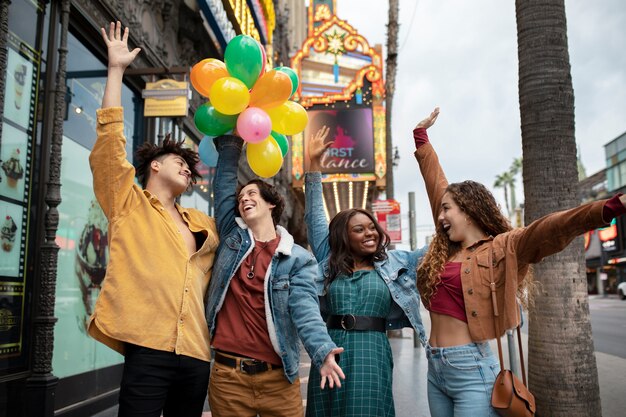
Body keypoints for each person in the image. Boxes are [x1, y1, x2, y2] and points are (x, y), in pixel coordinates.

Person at [413, 107, 626, 416]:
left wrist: (608, 208)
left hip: (472, 370)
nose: (441, 216)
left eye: (447, 209)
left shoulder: (504, 246)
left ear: (469, 210)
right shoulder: (446, 248)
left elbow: (551, 227)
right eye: (440, 210)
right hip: (436, 370)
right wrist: (421, 137)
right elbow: (436, 183)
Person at [88, 22, 218, 417]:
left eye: (190, 169)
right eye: (181, 163)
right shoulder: (129, 204)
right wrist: (116, 71)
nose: (188, 172)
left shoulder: (201, 222)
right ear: (155, 166)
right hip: (149, 349)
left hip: (195, 352)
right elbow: (110, 148)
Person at [205, 133, 345, 417]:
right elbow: (223, 189)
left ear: (271, 204)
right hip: (228, 379)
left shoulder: (298, 259)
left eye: (252, 194)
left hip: (279, 381)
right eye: (241, 197)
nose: (244, 199)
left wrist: (323, 351)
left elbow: (305, 309)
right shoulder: (232, 239)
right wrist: (232, 143)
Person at [303, 126, 429, 417]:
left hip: (372, 351)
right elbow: (314, 215)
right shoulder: (329, 259)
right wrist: (314, 165)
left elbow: (437, 249)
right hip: (330, 348)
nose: (370, 233)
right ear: (344, 237)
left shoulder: (396, 263)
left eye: (372, 227)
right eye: (359, 230)